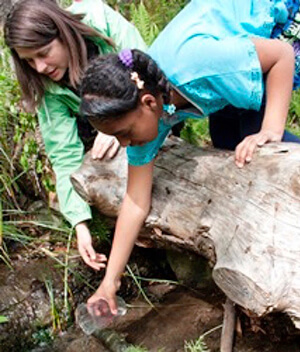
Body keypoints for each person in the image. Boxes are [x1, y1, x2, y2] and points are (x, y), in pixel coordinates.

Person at [79, 0, 300, 313]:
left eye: (125, 133)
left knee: (265, 148)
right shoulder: (147, 105)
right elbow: (135, 201)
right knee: (228, 143)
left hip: (270, 19)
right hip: (224, 65)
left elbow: (281, 56)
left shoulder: (199, 65)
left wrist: (271, 131)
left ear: (149, 103)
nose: (125, 144)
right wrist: (109, 284)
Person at [4, 0, 147, 270]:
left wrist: (119, 127)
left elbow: (148, 70)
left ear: (63, 32)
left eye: (44, 52)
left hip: (142, 105)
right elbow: (63, 152)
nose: (40, 67)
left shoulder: (99, 21)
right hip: (93, 123)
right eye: (29, 61)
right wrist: (79, 224)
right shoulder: (46, 83)